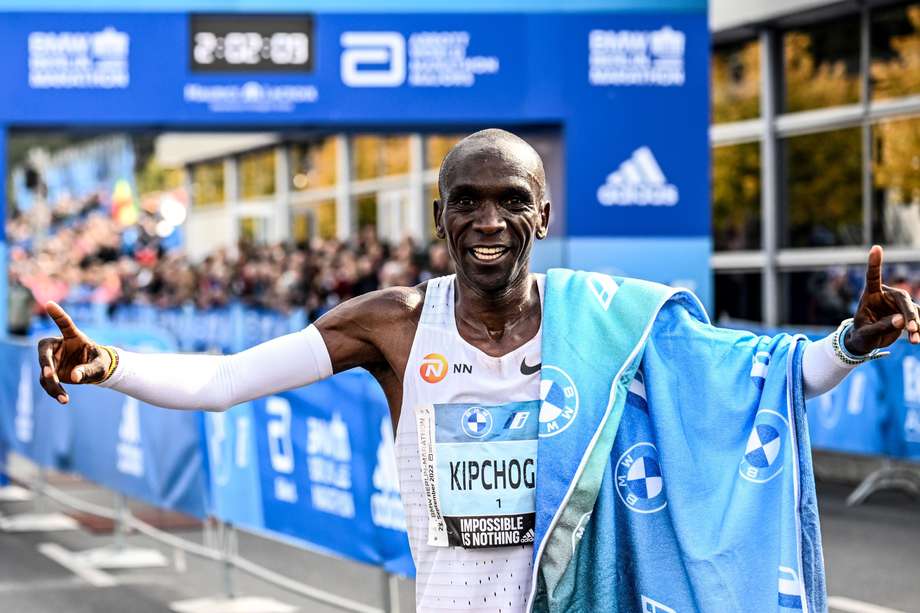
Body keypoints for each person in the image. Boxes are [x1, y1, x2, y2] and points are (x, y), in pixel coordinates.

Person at [37, 129, 920, 612]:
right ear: (441, 216)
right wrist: (107, 362)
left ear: (544, 211)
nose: (488, 218)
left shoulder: (607, 319)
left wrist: (850, 344)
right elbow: (225, 380)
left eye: (509, 200)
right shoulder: (390, 324)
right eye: (468, 200)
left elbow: (760, 375)